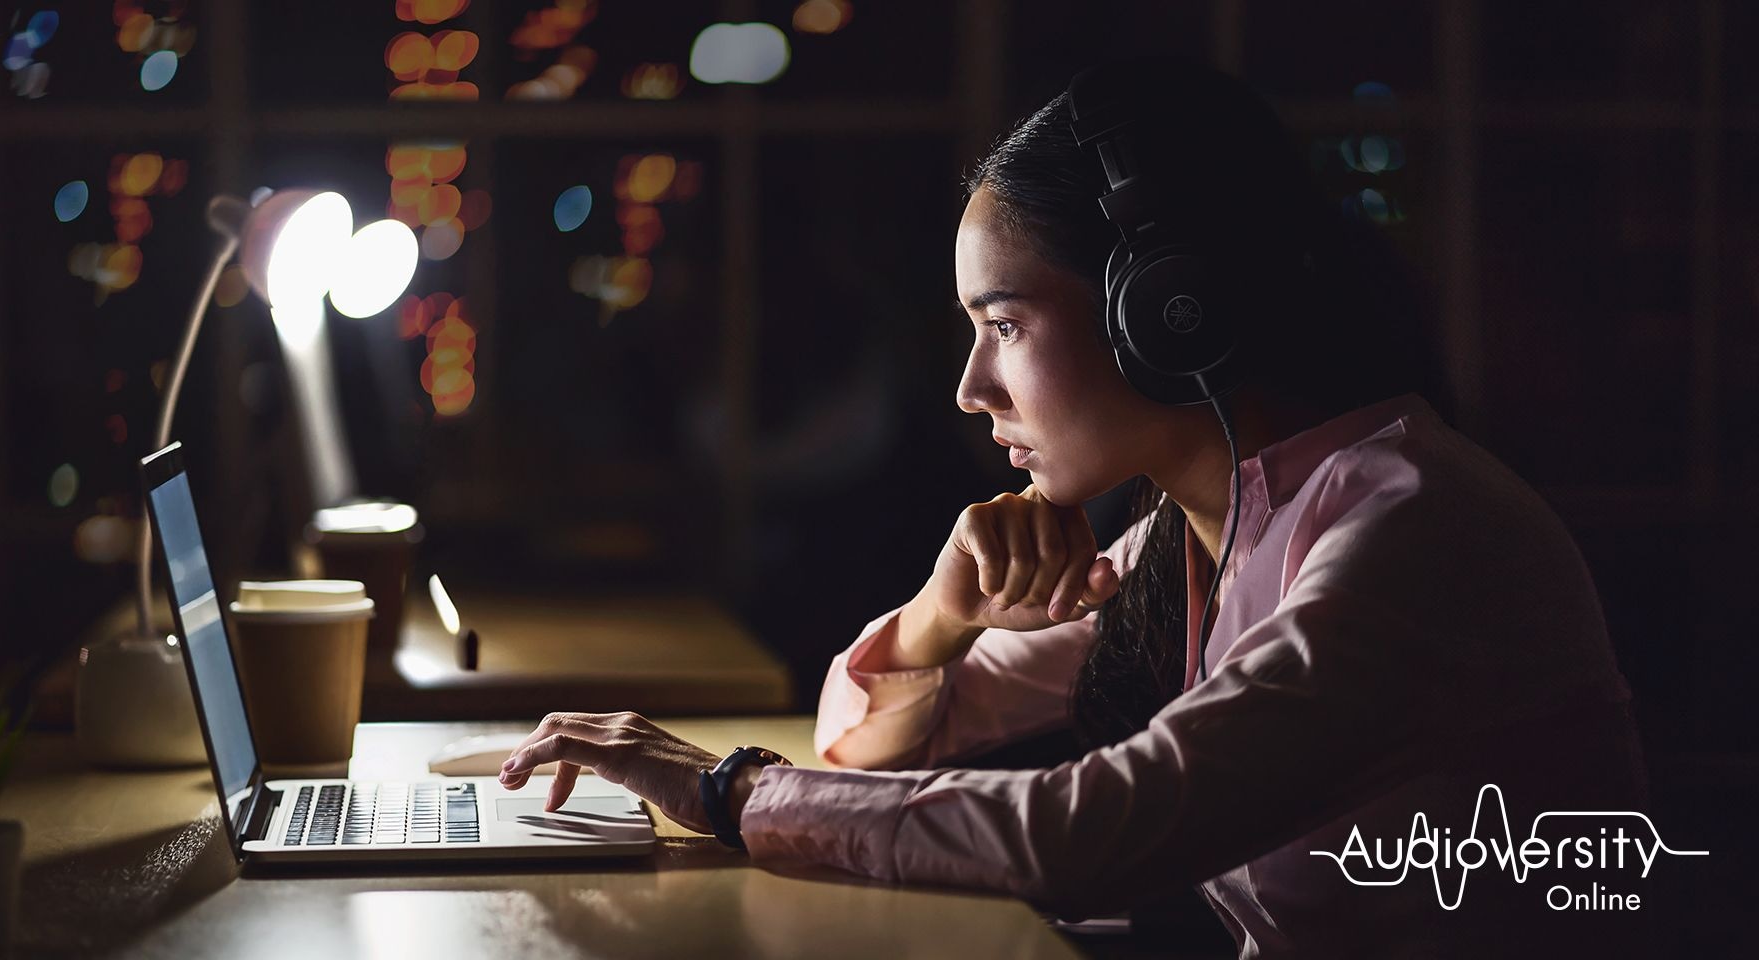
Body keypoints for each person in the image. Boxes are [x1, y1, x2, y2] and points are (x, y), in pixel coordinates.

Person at [497, 59, 1648, 957]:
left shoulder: (1405, 527)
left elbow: (1083, 835)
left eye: (1003, 324)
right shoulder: (1196, 531)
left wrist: (725, 788)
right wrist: (941, 623)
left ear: (1167, 310)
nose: (970, 387)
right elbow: (870, 751)